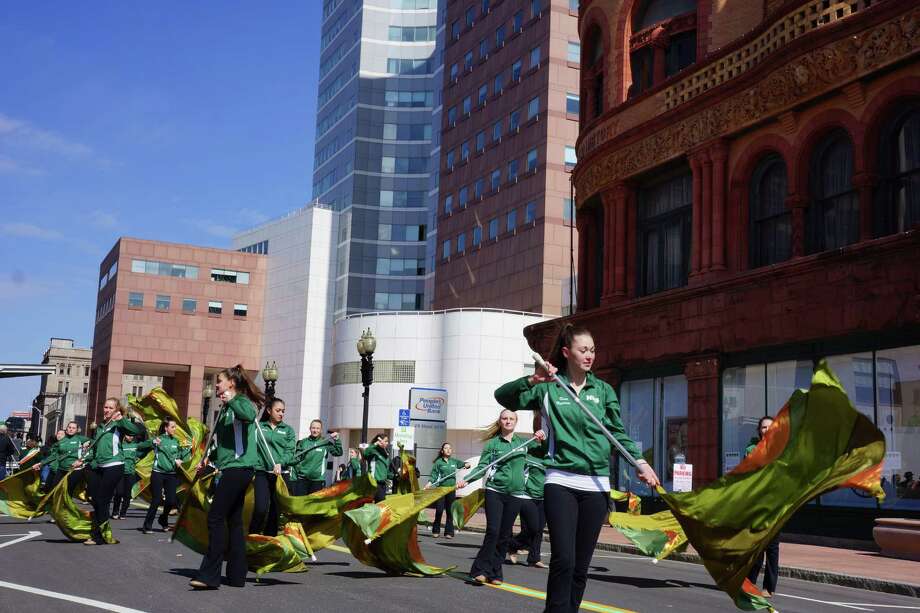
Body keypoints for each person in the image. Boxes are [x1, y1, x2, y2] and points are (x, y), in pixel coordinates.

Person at [494, 323, 660, 612]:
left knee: (581, 566)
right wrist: (533, 380)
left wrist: (640, 462)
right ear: (566, 352)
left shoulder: (604, 391)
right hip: (560, 480)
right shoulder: (548, 390)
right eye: (583, 350)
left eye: (593, 350)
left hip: (596, 485)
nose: (590, 355)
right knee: (564, 559)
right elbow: (503, 397)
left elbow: (617, 434)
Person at [190, 364, 261, 590]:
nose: (216, 385)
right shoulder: (225, 409)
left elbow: (250, 414)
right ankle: (236, 576)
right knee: (234, 521)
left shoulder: (239, 402)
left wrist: (231, 399)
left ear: (231, 382)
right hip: (229, 467)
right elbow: (219, 443)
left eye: (219, 381)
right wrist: (207, 460)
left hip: (239, 469)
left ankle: (209, 575)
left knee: (215, 517)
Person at [457, 410, 545, 585]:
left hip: (515, 494)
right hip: (495, 491)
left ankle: (495, 572)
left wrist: (542, 438)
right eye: (505, 418)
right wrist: (466, 480)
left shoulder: (524, 443)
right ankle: (480, 570)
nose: (508, 421)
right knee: (493, 532)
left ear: (516, 422)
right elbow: (482, 467)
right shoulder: (493, 444)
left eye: (511, 419)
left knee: (505, 535)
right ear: (500, 422)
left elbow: (544, 452)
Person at [78, 398, 145, 545]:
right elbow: (95, 448)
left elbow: (136, 431)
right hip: (99, 466)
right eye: (105, 407)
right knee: (95, 499)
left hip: (114, 465)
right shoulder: (101, 426)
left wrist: (121, 419)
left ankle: (98, 536)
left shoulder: (119, 425)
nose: (107, 410)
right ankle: (102, 531)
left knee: (102, 500)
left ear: (116, 410)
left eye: (110, 408)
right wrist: (83, 459)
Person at [250, 397, 295, 536]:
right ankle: (252, 537)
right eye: (278, 410)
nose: (281, 413)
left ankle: (270, 540)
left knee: (276, 511)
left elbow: (290, 451)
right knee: (260, 508)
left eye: (283, 411)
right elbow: (251, 446)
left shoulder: (288, 430)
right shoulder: (259, 427)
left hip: (280, 474)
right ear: (269, 410)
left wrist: (281, 462)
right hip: (262, 472)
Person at [136, 418, 189, 534]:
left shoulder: (176, 441)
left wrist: (181, 460)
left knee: (171, 501)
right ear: (166, 428)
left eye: (175, 427)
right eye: (172, 427)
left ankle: (163, 519)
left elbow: (183, 455)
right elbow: (140, 446)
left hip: (171, 475)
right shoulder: (158, 439)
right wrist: (152, 442)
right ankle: (147, 526)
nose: (175, 429)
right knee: (156, 500)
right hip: (158, 473)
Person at [746, 415, 779, 598]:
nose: (766, 430)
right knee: (756, 545)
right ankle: (750, 582)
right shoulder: (752, 449)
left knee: (772, 547)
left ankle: (769, 587)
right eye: (763, 427)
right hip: (756, 504)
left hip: (775, 505)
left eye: (770, 427)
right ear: (759, 430)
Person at [509, 448, 547, 568]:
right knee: (532, 528)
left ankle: (534, 558)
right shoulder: (527, 458)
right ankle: (512, 545)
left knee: (539, 529)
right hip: (527, 496)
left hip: (544, 498)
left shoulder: (551, 459)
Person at [33, 421, 89, 497]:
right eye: (69, 427)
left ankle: (65, 507)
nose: (71, 429)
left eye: (73, 428)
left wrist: (82, 460)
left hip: (74, 469)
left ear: (76, 430)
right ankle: (54, 507)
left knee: (68, 492)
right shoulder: (61, 441)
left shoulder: (81, 439)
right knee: (54, 489)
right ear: (66, 429)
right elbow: (53, 456)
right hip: (61, 469)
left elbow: (92, 448)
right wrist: (40, 463)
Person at [426, 442, 470, 538]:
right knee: (439, 510)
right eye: (446, 448)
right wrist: (429, 483)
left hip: (451, 489)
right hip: (441, 490)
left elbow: (464, 464)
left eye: (450, 448)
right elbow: (433, 475)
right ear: (442, 451)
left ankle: (449, 532)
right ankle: (436, 530)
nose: (448, 450)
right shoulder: (438, 463)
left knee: (450, 511)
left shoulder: (454, 461)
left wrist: (467, 464)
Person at [291, 419, 342, 495]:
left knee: (313, 506)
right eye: (313, 428)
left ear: (321, 430)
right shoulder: (303, 442)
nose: (315, 430)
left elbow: (338, 452)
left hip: (317, 481)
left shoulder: (325, 442)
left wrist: (337, 440)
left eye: (317, 428)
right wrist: (294, 478)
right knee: (301, 504)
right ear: (310, 429)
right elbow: (296, 460)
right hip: (302, 479)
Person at [111, 433, 139, 520]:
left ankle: (123, 513)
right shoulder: (120, 445)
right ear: (124, 435)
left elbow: (147, 446)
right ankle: (115, 511)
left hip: (131, 473)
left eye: (132, 435)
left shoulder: (136, 445)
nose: (130, 437)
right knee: (119, 493)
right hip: (120, 472)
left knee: (127, 495)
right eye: (128, 435)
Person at [362, 433, 391, 502]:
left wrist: (392, 476)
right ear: (380, 441)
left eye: (387, 441)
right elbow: (365, 453)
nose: (387, 443)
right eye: (386, 441)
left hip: (383, 483)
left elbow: (385, 468)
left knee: (380, 504)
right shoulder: (373, 450)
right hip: (374, 482)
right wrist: (375, 444)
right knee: (377, 504)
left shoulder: (385, 452)